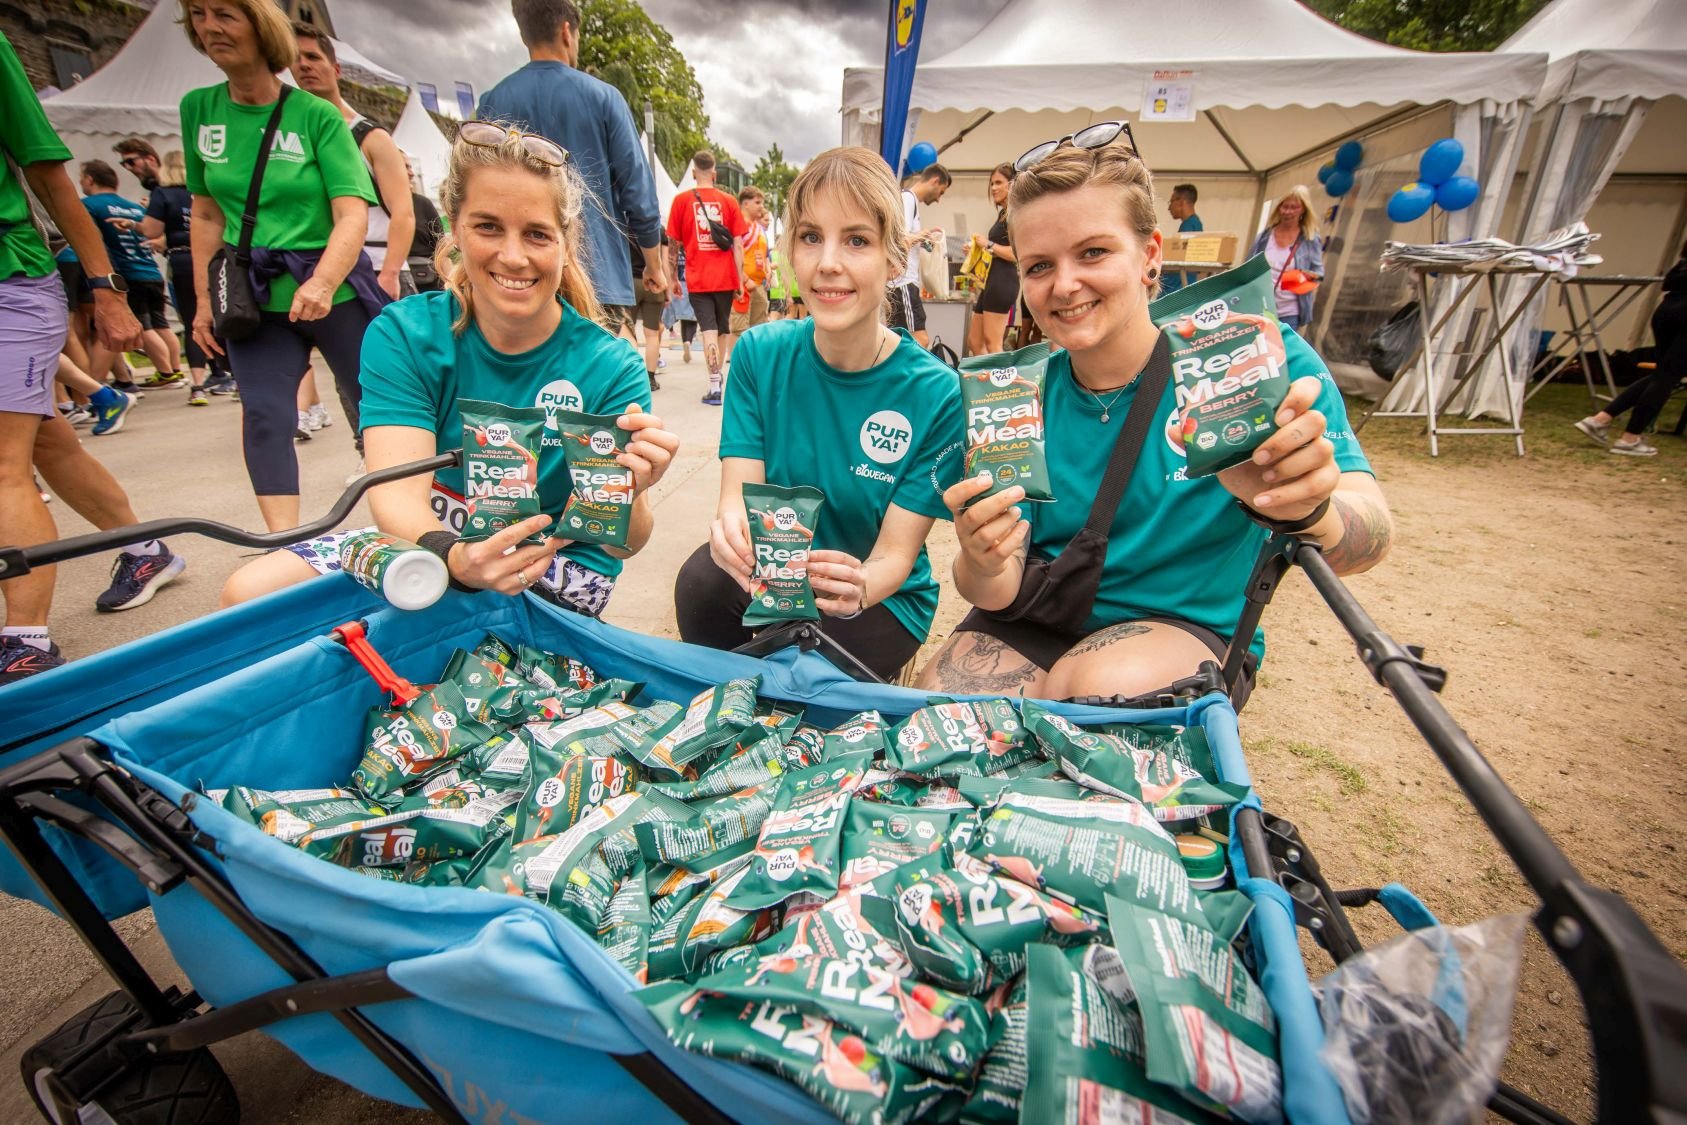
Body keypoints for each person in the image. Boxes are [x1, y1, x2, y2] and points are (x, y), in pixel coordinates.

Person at [917, 130, 1392, 704]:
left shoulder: (1250, 354)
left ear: (1150, 255)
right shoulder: (1012, 394)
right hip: (1039, 612)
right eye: (1039, 265)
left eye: (1094, 252)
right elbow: (994, 591)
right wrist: (981, 558)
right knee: (943, 710)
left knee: (1093, 697)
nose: (1065, 285)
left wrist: (1309, 509)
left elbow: (1371, 538)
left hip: (1182, 629)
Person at [221, 121, 679, 612]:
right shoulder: (404, 334)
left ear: (565, 244)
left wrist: (632, 490)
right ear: (455, 228)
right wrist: (452, 558)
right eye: (488, 227)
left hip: (555, 567)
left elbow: (624, 546)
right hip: (431, 540)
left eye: (537, 234)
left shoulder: (611, 365)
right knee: (249, 595)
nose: (513, 256)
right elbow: (396, 497)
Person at [673, 146, 965, 683]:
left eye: (856, 240)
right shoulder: (759, 354)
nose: (828, 262)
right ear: (791, 250)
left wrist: (861, 587)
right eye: (811, 237)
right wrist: (731, 536)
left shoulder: (937, 392)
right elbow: (737, 500)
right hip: (774, 575)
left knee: (808, 683)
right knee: (702, 583)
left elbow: (894, 556)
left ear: (894, 260)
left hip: (876, 595)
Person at [1, 32, 185, 683]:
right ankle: (145, 548)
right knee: (45, 443)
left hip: (9, 275)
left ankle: (23, 640)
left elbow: (50, 175)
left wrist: (106, 288)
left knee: (5, 463)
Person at [177, 0, 384, 533]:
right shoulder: (199, 108)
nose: (210, 27)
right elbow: (206, 213)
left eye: (225, 14)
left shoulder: (316, 116)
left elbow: (352, 213)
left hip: (332, 289)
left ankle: (408, 523)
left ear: (260, 25)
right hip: (253, 294)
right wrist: (204, 301)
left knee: (380, 409)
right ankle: (284, 541)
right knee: (265, 415)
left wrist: (323, 280)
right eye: (198, 14)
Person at [478, 0, 665, 330]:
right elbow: (638, 192)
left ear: (524, 35)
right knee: (595, 360)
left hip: (517, 273)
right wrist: (653, 264)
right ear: (567, 32)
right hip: (596, 272)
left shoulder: (493, 101)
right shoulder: (604, 98)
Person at [289, 22, 416, 303]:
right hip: (323, 268)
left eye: (313, 57)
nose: (304, 65)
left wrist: (391, 272)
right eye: (295, 58)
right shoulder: (292, 137)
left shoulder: (371, 136)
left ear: (335, 69)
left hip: (377, 267)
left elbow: (404, 212)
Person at [1575, 241, 1687, 456]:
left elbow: (1669, 282)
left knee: (1662, 374)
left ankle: (1600, 420)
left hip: (1667, 310)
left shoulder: (1683, 263)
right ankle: (1629, 439)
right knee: (1666, 378)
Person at [78, 160, 183, 389]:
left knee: (142, 327)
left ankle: (166, 373)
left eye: (81, 178)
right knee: (161, 325)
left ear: (90, 180)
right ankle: (175, 370)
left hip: (127, 274)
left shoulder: (88, 206)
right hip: (151, 271)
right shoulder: (134, 207)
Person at [137, 149, 228, 404]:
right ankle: (227, 375)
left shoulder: (162, 194)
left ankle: (198, 385)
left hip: (183, 261)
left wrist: (135, 223)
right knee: (223, 316)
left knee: (193, 322)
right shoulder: (204, 191)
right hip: (217, 258)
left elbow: (150, 229)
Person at [666, 149, 746, 405]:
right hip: (725, 278)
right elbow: (738, 245)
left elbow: (673, 245)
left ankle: (714, 385)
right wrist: (740, 279)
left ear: (693, 173)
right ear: (714, 173)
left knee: (708, 330)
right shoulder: (729, 201)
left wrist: (672, 278)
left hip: (698, 278)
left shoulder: (681, 201)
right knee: (722, 329)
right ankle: (718, 377)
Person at [887, 162, 950, 346]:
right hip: (903, 283)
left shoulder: (909, 200)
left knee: (901, 340)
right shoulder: (907, 199)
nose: (939, 199)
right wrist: (921, 235)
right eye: (941, 192)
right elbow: (900, 239)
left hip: (903, 283)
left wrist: (923, 238)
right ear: (935, 181)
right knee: (918, 340)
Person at [1249, 185, 1323, 332]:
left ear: (1303, 210)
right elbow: (1248, 267)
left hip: (1290, 312)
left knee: (1283, 346)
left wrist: (1298, 279)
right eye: (1285, 207)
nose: (1288, 212)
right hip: (1261, 307)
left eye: (1294, 207)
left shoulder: (1309, 239)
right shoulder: (1264, 237)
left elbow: (1318, 273)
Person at [966, 162, 1018, 356]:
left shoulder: (1015, 213)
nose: (993, 188)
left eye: (998, 183)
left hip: (1003, 281)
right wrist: (978, 249)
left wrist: (988, 244)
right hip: (992, 280)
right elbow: (997, 250)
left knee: (993, 344)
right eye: (992, 183)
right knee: (975, 341)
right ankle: (986, 375)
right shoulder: (1003, 213)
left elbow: (1016, 254)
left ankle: (1000, 377)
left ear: (1012, 184)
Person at [725, 184, 771, 362]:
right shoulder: (739, 225)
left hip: (759, 285)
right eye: (757, 202)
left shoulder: (758, 228)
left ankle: (755, 364)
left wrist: (766, 272)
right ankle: (736, 364)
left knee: (759, 328)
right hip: (744, 286)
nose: (761, 206)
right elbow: (731, 255)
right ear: (745, 204)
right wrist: (744, 279)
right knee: (739, 328)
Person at [627, 231, 668, 390]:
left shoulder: (624, 225)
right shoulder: (659, 230)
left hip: (630, 283)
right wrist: (667, 289)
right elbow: (664, 262)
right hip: (654, 282)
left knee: (628, 332)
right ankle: (651, 378)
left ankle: (631, 376)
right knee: (652, 334)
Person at [1159, 181, 1203, 296]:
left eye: (1171, 201)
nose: (1169, 207)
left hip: (1175, 290)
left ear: (1181, 202)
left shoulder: (1189, 226)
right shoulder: (1194, 224)